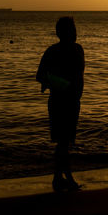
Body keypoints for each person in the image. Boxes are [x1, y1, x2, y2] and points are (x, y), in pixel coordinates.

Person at [36, 16, 84, 192]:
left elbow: (79, 75)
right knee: (62, 142)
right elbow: (40, 75)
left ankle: (60, 178)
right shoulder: (52, 51)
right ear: (61, 33)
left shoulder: (79, 49)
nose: (74, 33)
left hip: (74, 102)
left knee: (65, 142)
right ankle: (64, 178)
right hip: (59, 102)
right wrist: (62, 85)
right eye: (70, 30)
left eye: (74, 29)